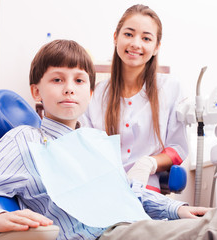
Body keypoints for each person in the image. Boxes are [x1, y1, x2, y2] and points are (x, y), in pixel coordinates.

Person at [0, 39, 217, 240]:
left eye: (79, 80)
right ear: (36, 92)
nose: (70, 87)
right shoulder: (25, 140)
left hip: (138, 225)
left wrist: (175, 208)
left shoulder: (94, 141)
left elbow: (129, 194)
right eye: (57, 79)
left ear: (91, 90)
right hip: (106, 235)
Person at [80, 4, 188, 193]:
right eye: (129, 34)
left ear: (156, 47)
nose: (136, 44)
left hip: (147, 191)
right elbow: (87, 148)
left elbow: (178, 148)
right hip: (104, 190)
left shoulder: (170, 88)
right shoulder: (96, 94)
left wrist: (148, 164)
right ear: (116, 37)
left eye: (146, 38)